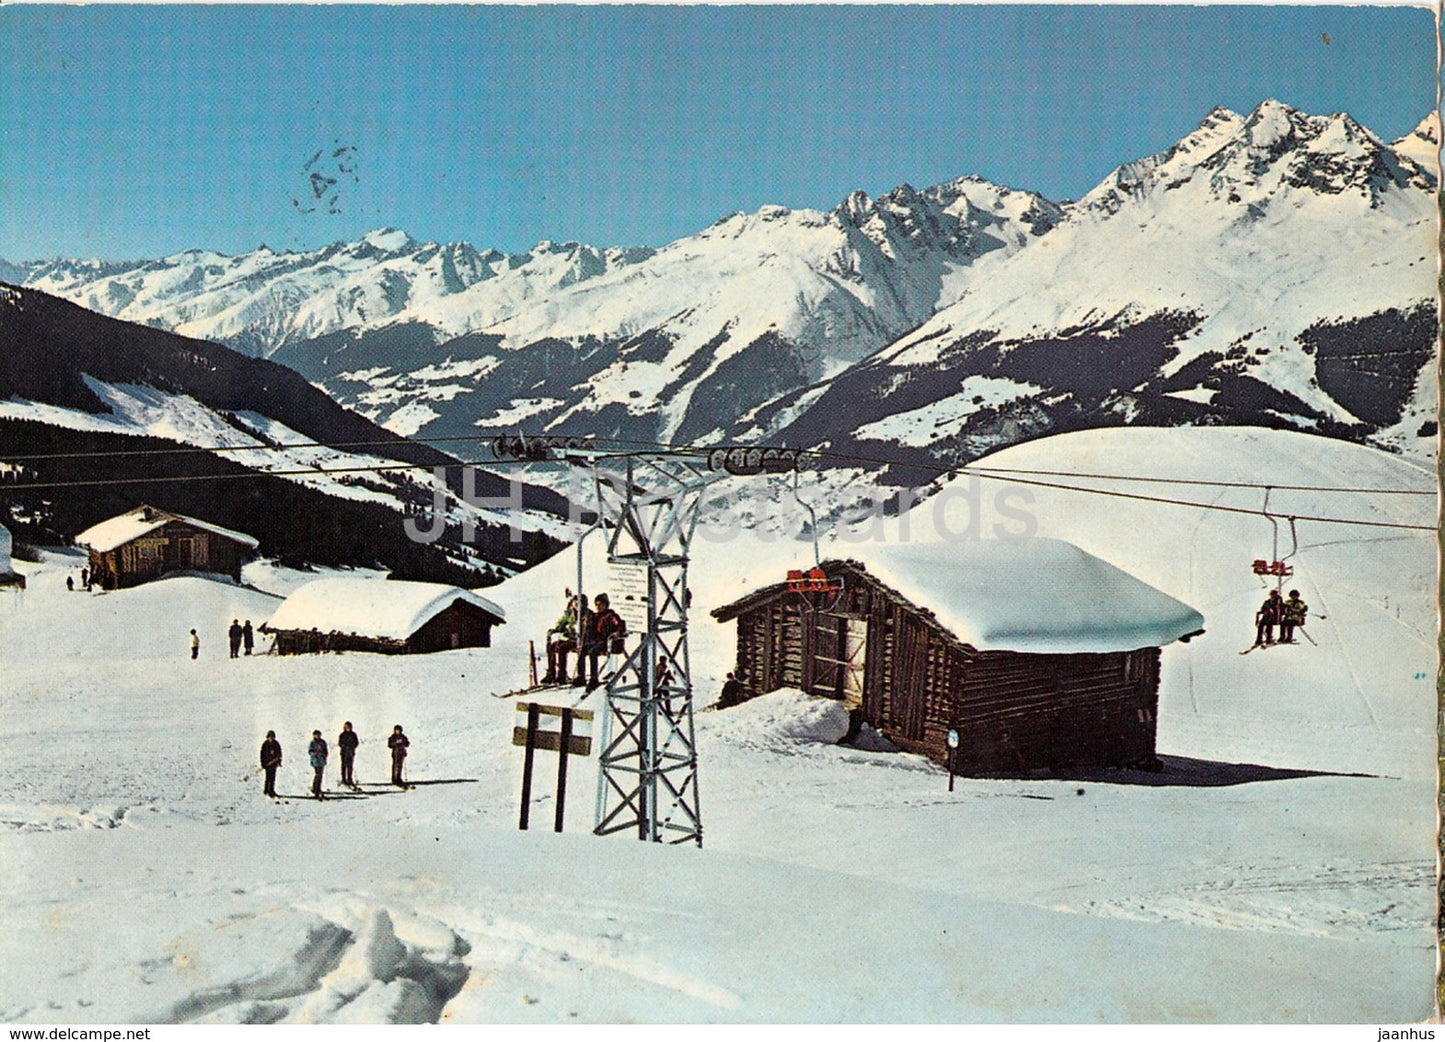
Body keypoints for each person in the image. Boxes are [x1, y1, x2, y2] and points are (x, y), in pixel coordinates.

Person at [583, 593, 626, 693]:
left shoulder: (611, 616)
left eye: (600, 604)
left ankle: (594, 679)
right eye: (597, 605)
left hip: (609, 643)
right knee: (584, 649)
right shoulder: (596, 616)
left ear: (605, 605)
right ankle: (581, 675)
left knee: (593, 651)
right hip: (599, 642)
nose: (598, 607)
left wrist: (618, 632)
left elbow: (620, 625)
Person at [543, 592, 579, 684]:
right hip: (569, 638)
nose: (576, 605)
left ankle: (562, 675)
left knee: (562, 648)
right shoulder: (570, 614)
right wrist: (559, 628)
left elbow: (579, 628)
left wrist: (570, 630)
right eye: (575, 603)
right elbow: (561, 622)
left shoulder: (584, 614)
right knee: (552, 646)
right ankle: (551, 673)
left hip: (578, 640)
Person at [570, 595, 593, 687]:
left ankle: (584, 676)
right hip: (578, 639)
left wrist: (586, 626)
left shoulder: (588, 614)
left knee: (583, 650)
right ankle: (579, 675)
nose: (577, 605)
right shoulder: (572, 614)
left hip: (588, 640)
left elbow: (591, 628)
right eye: (575, 603)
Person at [259, 730, 282, 798]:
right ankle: (266, 790)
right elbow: (262, 755)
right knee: (268, 777)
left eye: (272, 737)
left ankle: (271, 790)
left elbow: (279, 754)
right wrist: (263, 763)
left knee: (272, 778)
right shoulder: (265, 744)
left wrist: (279, 761)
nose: (271, 739)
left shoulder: (276, 744)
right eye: (270, 737)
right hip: (267, 763)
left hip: (273, 764)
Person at [338, 721, 359, 789]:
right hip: (344, 753)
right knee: (344, 766)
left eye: (349, 727)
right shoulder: (342, 735)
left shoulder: (353, 735)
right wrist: (345, 747)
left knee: (350, 766)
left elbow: (356, 743)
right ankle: (344, 779)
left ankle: (349, 778)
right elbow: (340, 743)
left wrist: (352, 747)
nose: (348, 729)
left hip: (350, 752)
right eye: (347, 727)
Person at [308, 730, 328, 799]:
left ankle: (317, 787)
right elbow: (310, 751)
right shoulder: (312, 743)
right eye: (316, 735)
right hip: (316, 761)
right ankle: (316, 789)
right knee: (318, 775)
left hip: (321, 760)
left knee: (320, 775)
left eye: (318, 735)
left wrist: (325, 755)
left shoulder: (322, 742)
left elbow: (325, 750)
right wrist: (314, 754)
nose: (317, 736)